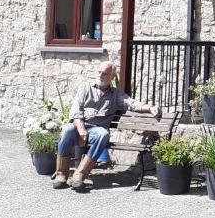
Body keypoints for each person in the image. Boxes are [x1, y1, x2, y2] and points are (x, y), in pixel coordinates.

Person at [53, 61, 160, 190]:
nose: (100, 75)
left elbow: (132, 103)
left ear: (112, 77)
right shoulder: (85, 88)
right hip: (79, 125)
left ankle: (80, 175)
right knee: (67, 130)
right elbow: (75, 112)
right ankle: (61, 174)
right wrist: (81, 129)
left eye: (104, 73)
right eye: (99, 72)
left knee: (103, 134)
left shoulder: (116, 95)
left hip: (96, 130)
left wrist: (150, 108)